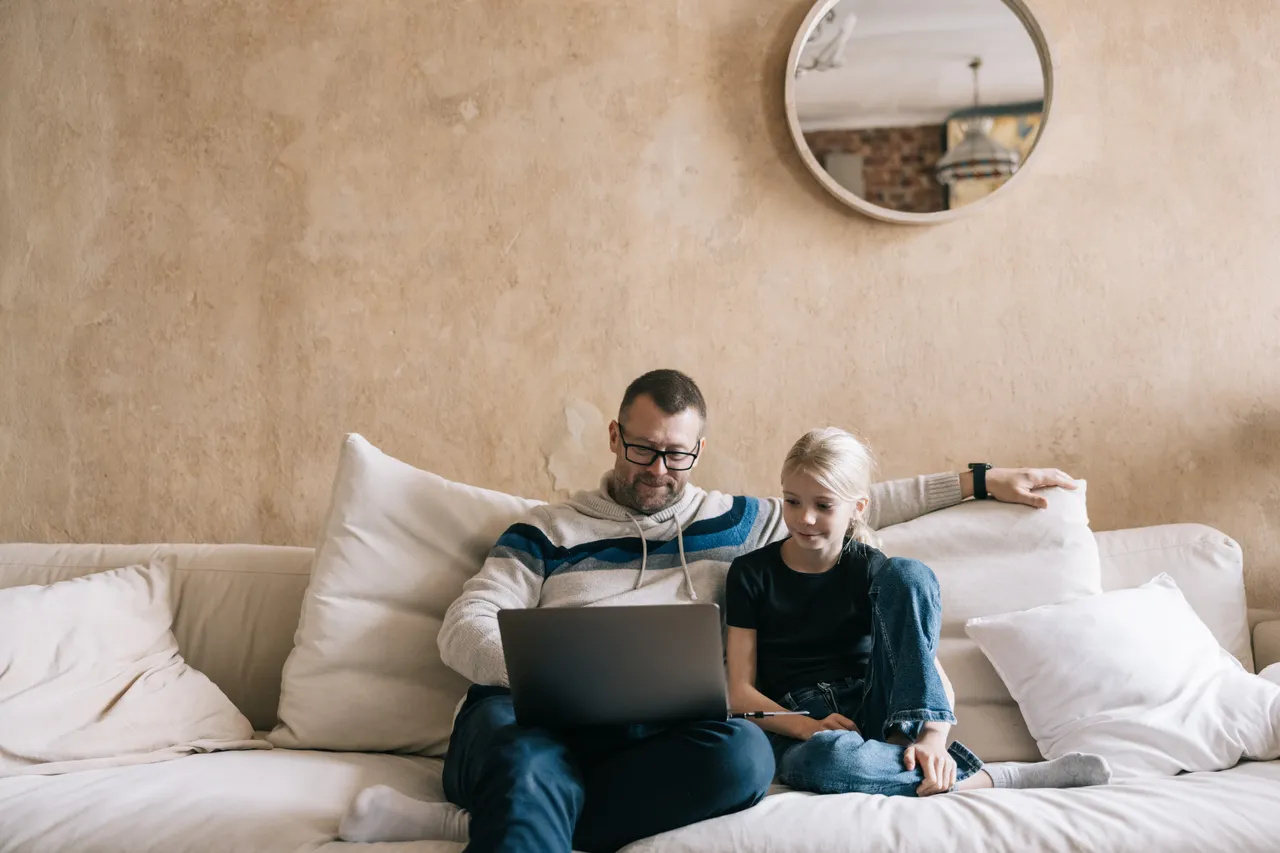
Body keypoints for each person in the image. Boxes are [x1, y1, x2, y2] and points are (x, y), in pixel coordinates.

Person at [337, 369, 1079, 852]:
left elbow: (849, 500)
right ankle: (512, 806)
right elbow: (463, 626)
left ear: (698, 449)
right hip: (533, 721)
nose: (659, 470)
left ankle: (475, 827)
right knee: (530, 763)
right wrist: (558, 672)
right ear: (614, 437)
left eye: (677, 454)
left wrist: (977, 479)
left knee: (745, 755)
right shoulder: (546, 531)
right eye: (642, 449)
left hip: (654, 736)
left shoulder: (740, 520)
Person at [725, 427, 1111, 797]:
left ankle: (905, 753)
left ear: (857, 507)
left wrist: (932, 737)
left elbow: (922, 661)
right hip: (798, 724)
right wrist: (808, 728)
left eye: (823, 505)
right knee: (829, 759)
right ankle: (994, 777)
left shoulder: (870, 567)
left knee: (907, 572)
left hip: (878, 708)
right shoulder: (751, 573)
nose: (804, 518)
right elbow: (738, 693)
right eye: (792, 501)